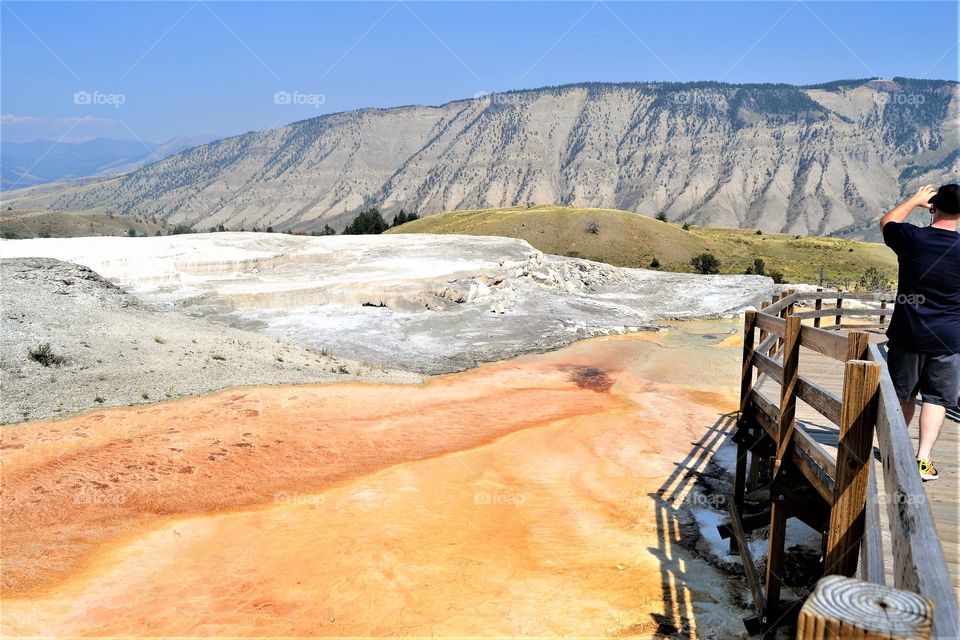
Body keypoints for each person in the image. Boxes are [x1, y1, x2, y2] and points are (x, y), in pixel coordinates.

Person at [879, 183, 960, 481]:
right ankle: (923, 459)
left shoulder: (914, 238)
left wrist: (914, 200)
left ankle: (893, 451)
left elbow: (887, 223)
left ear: (933, 207)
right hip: (949, 338)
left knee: (903, 395)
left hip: (908, 333)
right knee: (937, 399)